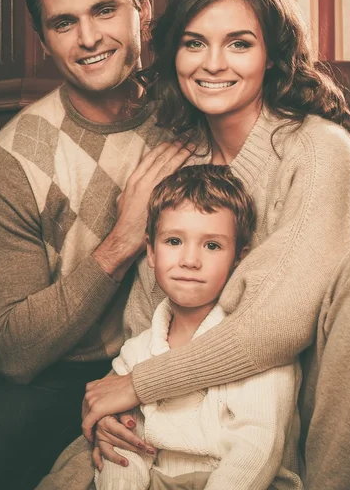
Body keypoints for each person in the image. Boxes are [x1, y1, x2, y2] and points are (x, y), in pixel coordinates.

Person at [57, 0, 350, 490]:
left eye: (240, 43)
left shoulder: (317, 150)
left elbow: (282, 324)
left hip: (291, 397)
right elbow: (147, 314)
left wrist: (139, 384)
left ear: (272, 54)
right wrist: (114, 401)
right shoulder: (173, 159)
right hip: (177, 403)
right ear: (174, 53)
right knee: (78, 469)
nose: (213, 64)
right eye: (195, 43)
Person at [0, 0, 193, 490]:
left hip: (174, 352)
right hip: (60, 372)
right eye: (64, 23)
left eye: (105, 11)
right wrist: (122, 239)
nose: (88, 38)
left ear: (143, 9)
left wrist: (142, 381)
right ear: (43, 41)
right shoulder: (11, 159)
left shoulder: (192, 111)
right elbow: (13, 350)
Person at [95, 164, 302, 490]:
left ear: (239, 258)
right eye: (174, 241)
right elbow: (125, 449)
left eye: (212, 246)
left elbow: (258, 447)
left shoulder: (254, 347)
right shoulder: (137, 352)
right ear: (150, 251)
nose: (190, 260)